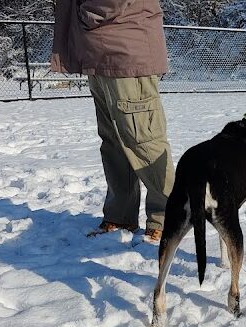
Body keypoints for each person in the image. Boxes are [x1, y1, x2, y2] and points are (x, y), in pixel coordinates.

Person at [50, 0, 174, 243]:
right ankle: (121, 215)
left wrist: (86, 11)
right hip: (101, 52)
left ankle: (169, 216)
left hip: (127, 49)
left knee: (144, 141)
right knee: (114, 142)